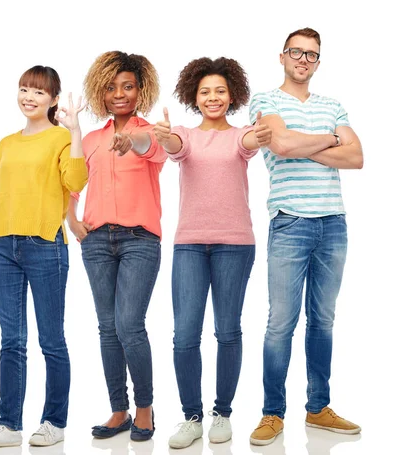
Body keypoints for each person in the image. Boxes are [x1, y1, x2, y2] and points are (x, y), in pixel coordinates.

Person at [248, 27, 363, 446]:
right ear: (282, 56)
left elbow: (357, 156)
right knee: (281, 322)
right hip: (290, 221)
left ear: (318, 61)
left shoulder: (333, 105)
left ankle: (318, 408)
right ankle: (271, 413)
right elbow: (279, 144)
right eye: (296, 52)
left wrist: (304, 143)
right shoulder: (265, 100)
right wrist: (330, 139)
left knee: (324, 320)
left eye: (312, 55)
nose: (303, 59)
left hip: (333, 223)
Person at [153, 57, 271, 449]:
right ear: (194, 96)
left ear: (232, 95)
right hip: (189, 244)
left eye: (220, 91)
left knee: (227, 330)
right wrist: (164, 134)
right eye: (205, 92)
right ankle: (191, 416)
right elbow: (172, 146)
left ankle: (222, 412)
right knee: (185, 335)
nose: (213, 97)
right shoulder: (185, 135)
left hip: (235, 246)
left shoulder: (240, 135)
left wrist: (264, 131)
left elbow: (253, 142)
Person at [0, 66, 88, 450]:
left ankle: (54, 422)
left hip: (45, 246)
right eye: (24, 89)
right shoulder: (5, 143)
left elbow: (76, 182)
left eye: (38, 92)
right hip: (4, 249)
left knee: (51, 340)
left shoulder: (58, 138)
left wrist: (75, 132)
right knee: (11, 341)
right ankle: (9, 425)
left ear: (53, 99)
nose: (29, 97)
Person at [67, 51, 166, 442]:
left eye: (127, 86)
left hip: (140, 240)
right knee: (108, 328)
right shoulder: (91, 140)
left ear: (140, 91)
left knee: (129, 324)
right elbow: (72, 182)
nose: (120, 94)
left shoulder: (153, 133)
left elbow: (149, 147)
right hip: (96, 242)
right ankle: (118, 410)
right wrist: (72, 219)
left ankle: (145, 408)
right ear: (101, 94)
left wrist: (134, 139)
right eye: (111, 88)